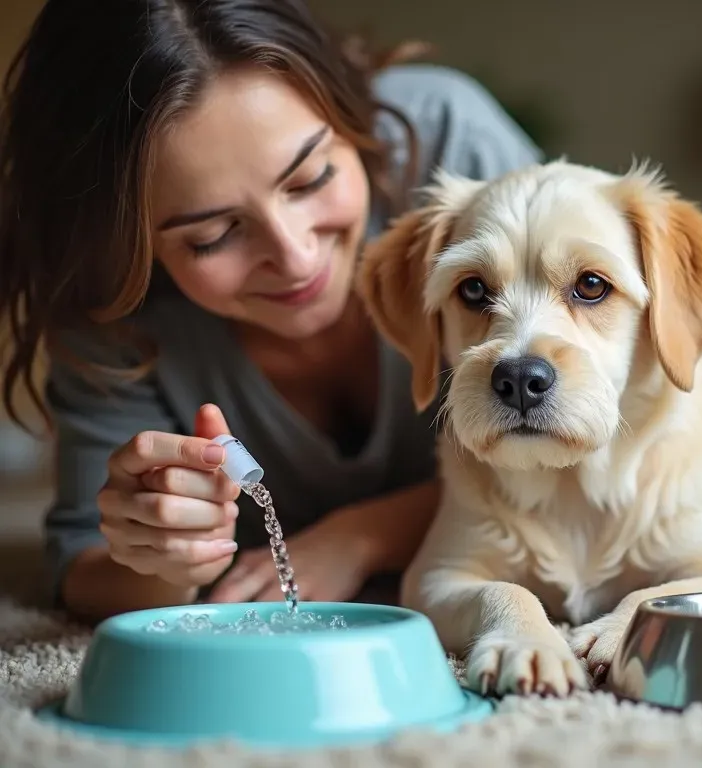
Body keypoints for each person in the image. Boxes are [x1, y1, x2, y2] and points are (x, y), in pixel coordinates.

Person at [0, 0, 542, 622]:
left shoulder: (451, 149)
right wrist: (161, 560)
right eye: (212, 235)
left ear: (350, 114)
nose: (295, 255)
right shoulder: (114, 310)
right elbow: (84, 573)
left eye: (310, 178)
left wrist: (364, 535)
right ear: (132, 245)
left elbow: (597, 428)